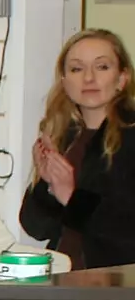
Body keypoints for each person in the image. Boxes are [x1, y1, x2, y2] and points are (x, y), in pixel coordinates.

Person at [20, 29, 135, 269]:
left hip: (117, 288)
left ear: (122, 78)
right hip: (65, 280)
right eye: (76, 69)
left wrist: (72, 197)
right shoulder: (64, 135)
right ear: (64, 80)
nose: (89, 78)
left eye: (102, 67)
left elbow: (125, 231)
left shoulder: (130, 136)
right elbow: (37, 228)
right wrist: (46, 185)